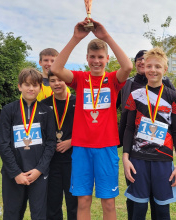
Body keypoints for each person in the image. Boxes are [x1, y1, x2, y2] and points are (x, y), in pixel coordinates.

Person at [51, 18, 132, 220]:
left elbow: (128, 66)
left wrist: (105, 36)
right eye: (93, 57)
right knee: (83, 201)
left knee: (109, 203)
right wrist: (75, 38)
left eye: (100, 57)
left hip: (106, 147)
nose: (96, 61)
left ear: (107, 59)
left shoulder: (113, 80)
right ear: (87, 58)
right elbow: (57, 69)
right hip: (81, 148)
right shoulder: (80, 79)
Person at [122, 47, 176, 220]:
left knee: (162, 212)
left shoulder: (174, 97)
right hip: (138, 159)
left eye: (158, 66)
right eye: (149, 66)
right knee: (138, 210)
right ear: (143, 68)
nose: (153, 70)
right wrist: (126, 158)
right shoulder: (135, 95)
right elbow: (128, 128)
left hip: (163, 161)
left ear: (165, 69)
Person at [0, 68, 56, 220]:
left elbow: (51, 143)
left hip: (38, 174)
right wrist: (16, 172)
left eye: (35, 85)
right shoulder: (8, 110)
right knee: (12, 214)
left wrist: (39, 169)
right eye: (27, 84)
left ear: (40, 87)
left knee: (39, 214)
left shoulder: (47, 111)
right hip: (13, 174)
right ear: (19, 86)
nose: (31, 88)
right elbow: (3, 144)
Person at [41, 71, 77, 220]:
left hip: (73, 161)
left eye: (60, 80)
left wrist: (72, 141)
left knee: (73, 203)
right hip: (51, 162)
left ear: (66, 82)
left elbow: (88, 129)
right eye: (53, 80)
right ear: (49, 83)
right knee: (53, 203)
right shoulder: (43, 104)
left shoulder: (78, 102)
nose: (57, 83)